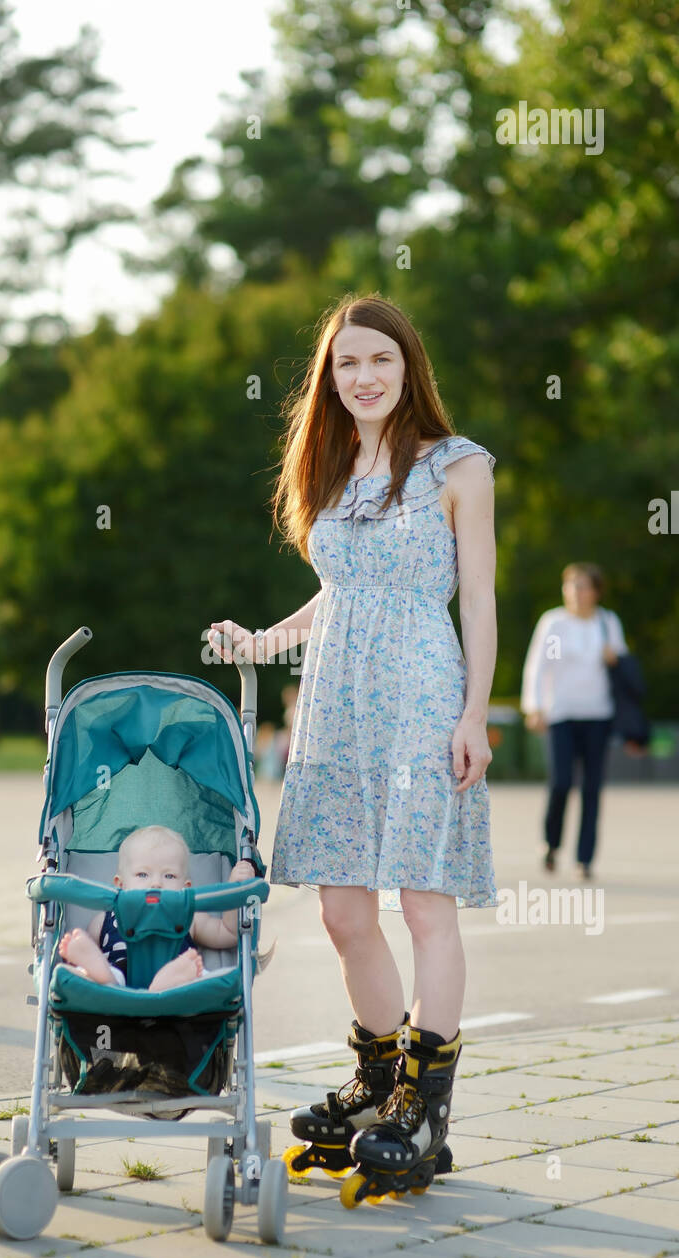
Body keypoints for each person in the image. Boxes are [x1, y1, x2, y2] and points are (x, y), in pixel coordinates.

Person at [207, 293, 498, 1200]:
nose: (363, 377)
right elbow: (339, 592)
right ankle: (376, 1084)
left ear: (409, 367)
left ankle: (422, 1107)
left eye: (379, 360)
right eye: (346, 364)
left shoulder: (458, 466)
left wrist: (473, 714)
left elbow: (479, 600)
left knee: (422, 907)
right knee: (341, 913)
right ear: (328, 379)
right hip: (332, 704)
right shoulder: (330, 465)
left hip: (420, 698)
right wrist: (263, 642)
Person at [520, 562, 629, 880]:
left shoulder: (607, 623)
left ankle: (585, 859)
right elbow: (538, 666)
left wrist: (615, 659)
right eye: (570, 585)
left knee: (592, 788)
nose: (575, 592)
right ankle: (551, 844)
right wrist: (535, 706)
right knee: (562, 782)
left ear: (595, 591)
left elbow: (622, 669)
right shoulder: (555, 623)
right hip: (561, 715)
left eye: (582, 586)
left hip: (598, 715)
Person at [57, 824, 255, 992]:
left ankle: (169, 979)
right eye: (143, 874)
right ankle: (100, 971)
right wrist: (83, 955)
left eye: (169, 876)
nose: (156, 884)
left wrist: (234, 887)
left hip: (175, 971)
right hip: (119, 978)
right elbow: (94, 946)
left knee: (202, 976)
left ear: (186, 888)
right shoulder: (107, 917)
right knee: (96, 972)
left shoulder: (188, 915)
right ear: (120, 884)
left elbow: (228, 933)